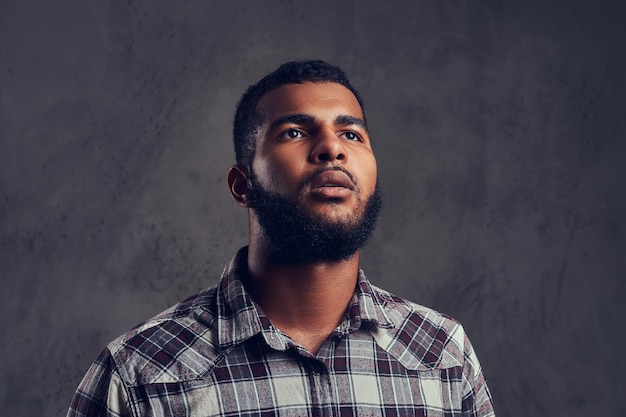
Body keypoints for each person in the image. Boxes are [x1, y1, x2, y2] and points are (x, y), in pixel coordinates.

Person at [67, 60, 495, 416]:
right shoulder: (140, 372)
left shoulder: (441, 354)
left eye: (352, 134)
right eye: (294, 132)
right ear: (242, 185)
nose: (332, 148)